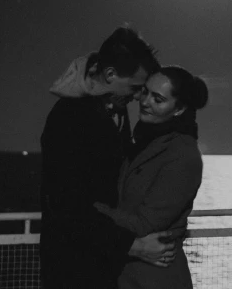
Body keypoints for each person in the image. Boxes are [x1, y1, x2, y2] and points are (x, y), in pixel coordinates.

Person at [40, 27, 176, 289]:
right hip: (74, 271)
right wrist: (135, 247)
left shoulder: (112, 109)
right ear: (110, 74)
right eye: (135, 88)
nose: (139, 97)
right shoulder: (68, 119)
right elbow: (67, 206)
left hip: (101, 262)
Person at [94, 65, 208, 289]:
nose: (145, 102)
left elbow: (144, 224)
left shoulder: (183, 155)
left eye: (158, 99)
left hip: (155, 278)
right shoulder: (145, 141)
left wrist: (90, 210)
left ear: (179, 109)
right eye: (145, 92)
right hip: (127, 273)